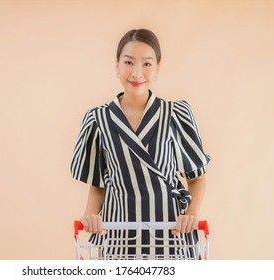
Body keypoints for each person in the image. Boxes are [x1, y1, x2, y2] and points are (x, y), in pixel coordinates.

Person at [70, 28, 211, 259]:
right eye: (128, 62)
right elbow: (98, 184)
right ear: (117, 66)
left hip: (171, 233)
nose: (137, 72)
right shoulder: (97, 119)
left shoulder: (176, 114)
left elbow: (197, 178)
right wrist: (90, 216)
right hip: (118, 235)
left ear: (157, 69)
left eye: (146, 64)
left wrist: (192, 215)